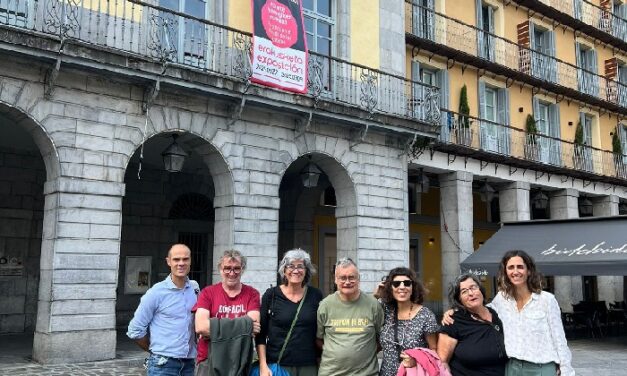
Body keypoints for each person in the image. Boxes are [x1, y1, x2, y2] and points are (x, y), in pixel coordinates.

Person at [442, 250, 575, 376]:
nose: (515, 271)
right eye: (510, 267)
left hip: (541, 368)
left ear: (529, 271)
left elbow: (560, 341)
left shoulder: (547, 300)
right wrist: (454, 310)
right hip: (511, 368)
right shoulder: (501, 299)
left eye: (520, 267)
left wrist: (566, 371)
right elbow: (480, 307)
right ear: (505, 272)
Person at [127, 244, 198, 376]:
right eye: (176, 259)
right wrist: (156, 351)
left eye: (185, 259)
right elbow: (135, 330)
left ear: (190, 261)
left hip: (189, 364)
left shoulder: (194, 288)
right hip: (163, 365)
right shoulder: (156, 293)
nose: (181, 263)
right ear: (168, 261)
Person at [255, 248, 323, 376]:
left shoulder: (316, 295)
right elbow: (261, 334)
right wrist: (263, 365)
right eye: (291, 266)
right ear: (284, 271)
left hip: (308, 366)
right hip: (278, 365)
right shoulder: (271, 295)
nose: (296, 270)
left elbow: (320, 332)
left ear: (306, 271)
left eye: (300, 266)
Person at [193, 249, 261, 375]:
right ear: (220, 269)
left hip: (239, 359)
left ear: (242, 269)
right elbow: (201, 327)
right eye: (227, 268)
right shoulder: (207, 293)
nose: (232, 272)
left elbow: (254, 329)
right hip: (208, 359)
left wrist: (214, 329)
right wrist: (244, 326)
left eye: (236, 268)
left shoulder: (252, 294)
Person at [316, 257, 384, 376]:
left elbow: (381, 338)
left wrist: (364, 353)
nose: (347, 282)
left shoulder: (373, 305)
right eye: (342, 278)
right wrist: (335, 354)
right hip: (331, 373)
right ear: (335, 280)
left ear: (358, 279)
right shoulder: (325, 305)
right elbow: (318, 339)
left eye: (352, 277)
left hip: (366, 373)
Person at [437, 273, 507, 376]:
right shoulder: (453, 321)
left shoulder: (496, 313)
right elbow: (442, 362)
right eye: (464, 291)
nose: (470, 293)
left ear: (481, 290)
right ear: (459, 299)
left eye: (473, 287)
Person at [375, 267, 439, 376]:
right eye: (396, 284)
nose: (402, 287)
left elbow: (434, 350)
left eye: (406, 283)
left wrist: (417, 360)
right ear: (390, 288)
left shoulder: (425, 315)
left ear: (413, 287)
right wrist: (376, 296)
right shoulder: (385, 310)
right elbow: (364, 315)